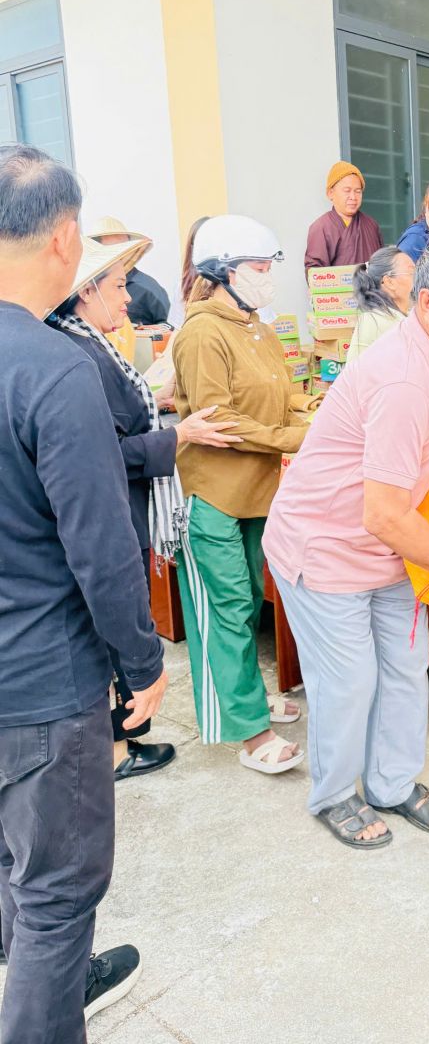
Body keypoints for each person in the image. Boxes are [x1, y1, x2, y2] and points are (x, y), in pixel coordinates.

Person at [263, 233, 429, 849]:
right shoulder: (404, 378)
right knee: (349, 683)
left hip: (387, 551)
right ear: (427, 302)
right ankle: (333, 794)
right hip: (327, 548)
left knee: (404, 670)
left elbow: (407, 462)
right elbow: (384, 514)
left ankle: (391, 784)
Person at [0, 144, 168, 1040]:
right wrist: (142, 665)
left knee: (14, 861)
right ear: (64, 239)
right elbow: (101, 550)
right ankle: (45, 994)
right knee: (59, 894)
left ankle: (48, 975)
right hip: (40, 680)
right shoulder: (53, 368)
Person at [51, 237, 235, 781]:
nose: (128, 297)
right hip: (113, 505)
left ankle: (119, 740)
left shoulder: (88, 342)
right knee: (107, 631)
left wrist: (155, 404)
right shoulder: (79, 354)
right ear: (86, 292)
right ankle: (115, 748)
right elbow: (109, 450)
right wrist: (178, 436)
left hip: (119, 500)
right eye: (117, 286)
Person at [174, 214, 319, 774]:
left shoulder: (257, 326)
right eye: (259, 268)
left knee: (252, 600)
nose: (267, 278)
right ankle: (250, 732)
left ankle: (250, 698)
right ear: (225, 272)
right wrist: (296, 437)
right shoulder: (201, 333)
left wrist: (317, 411)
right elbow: (218, 420)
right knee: (228, 607)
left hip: (259, 490)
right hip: (214, 493)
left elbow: (279, 398)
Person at [89, 216, 171, 325]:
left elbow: (169, 329)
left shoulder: (149, 289)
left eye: (123, 248)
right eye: (111, 249)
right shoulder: (84, 288)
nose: (119, 254)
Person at [305, 162, 383, 272]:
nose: (353, 197)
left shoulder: (372, 225)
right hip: (337, 284)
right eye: (347, 191)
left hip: (371, 284)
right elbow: (315, 273)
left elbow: (382, 264)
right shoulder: (321, 227)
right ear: (330, 193)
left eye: (358, 191)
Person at [346, 246, 415, 361]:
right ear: (389, 282)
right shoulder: (384, 322)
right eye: (412, 272)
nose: (419, 277)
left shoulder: (383, 316)